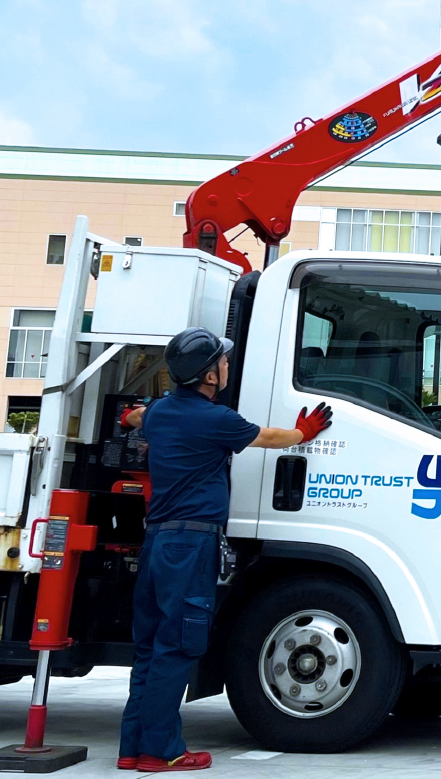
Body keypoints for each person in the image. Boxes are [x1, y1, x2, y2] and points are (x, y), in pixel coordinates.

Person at [116, 327, 333, 772]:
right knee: (178, 645)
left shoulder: (160, 413)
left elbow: (136, 417)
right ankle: (161, 752)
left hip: (157, 540)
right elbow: (269, 438)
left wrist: (128, 417)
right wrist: (303, 432)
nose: (228, 365)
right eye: (223, 360)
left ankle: (131, 749)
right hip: (190, 543)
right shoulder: (216, 420)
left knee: (150, 647)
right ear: (208, 376)